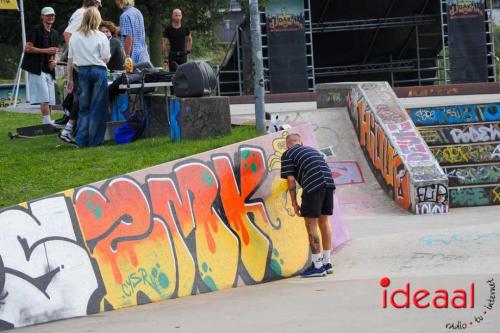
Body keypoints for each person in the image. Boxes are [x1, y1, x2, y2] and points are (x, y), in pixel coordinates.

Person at [280, 134, 336, 277]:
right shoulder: (312, 150)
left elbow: (291, 180)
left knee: (311, 224)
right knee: (324, 222)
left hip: (313, 185)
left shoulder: (288, 154)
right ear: (301, 142)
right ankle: (327, 262)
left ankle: (317, 266)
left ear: (288, 145)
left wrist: (294, 203)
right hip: (329, 183)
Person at [58, 0, 102, 144]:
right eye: (98, 4)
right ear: (94, 3)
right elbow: (67, 34)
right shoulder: (82, 13)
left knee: (82, 98)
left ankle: (72, 129)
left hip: (79, 64)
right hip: (81, 65)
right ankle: (70, 130)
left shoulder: (81, 13)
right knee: (82, 99)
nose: (99, 8)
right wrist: (79, 54)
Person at [66, 7, 110, 148]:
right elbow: (106, 58)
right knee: (98, 108)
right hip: (98, 71)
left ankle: (81, 141)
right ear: (97, 19)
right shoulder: (101, 36)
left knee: (84, 108)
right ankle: (95, 141)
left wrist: (69, 79)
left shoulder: (75, 36)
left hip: (82, 71)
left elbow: (70, 60)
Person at [21, 7, 59, 125]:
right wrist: (45, 51)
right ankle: (46, 122)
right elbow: (27, 48)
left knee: (51, 99)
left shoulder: (55, 33)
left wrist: (55, 61)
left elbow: (54, 51)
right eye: (48, 15)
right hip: (36, 68)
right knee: (45, 98)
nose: (50, 17)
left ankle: (49, 122)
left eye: (52, 15)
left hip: (49, 69)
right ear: (42, 16)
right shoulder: (35, 29)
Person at [115, 0, 150, 66]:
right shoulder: (137, 12)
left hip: (133, 58)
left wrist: (127, 58)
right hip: (143, 55)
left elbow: (128, 37)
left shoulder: (124, 16)